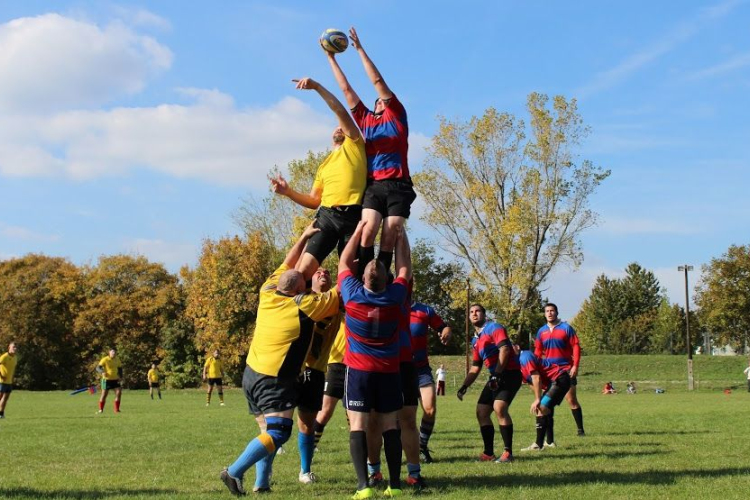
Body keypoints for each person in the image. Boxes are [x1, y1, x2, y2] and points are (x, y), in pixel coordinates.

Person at [220, 224, 339, 496]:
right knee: (278, 432)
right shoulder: (305, 305)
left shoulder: (268, 289)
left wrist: (305, 237)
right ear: (300, 288)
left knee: (269, 431)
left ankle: (262, 483)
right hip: (273, 378)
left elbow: (288, 262)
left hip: (251, 373)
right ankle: (234, 471)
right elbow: (343, 291)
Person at [327, 27, 416, 276]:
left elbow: (378, 82)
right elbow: (346, 91)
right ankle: (366, 274)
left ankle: (382, 278)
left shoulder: (396, 115)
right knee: (368, 228)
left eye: (382, 99)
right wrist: (331, 58)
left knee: (392, 230)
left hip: (398, 185)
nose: (379, 100)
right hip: (375, 185)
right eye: (376, 100)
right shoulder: (366, 120)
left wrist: (360, 50)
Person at [338, 221, 411, 499]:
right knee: (389, 425)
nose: (373, 265)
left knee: (360, 425)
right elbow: (405, 269)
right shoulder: (395, 297)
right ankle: (392, 484)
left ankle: (364, 486)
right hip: (388, 373)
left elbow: (345, 261)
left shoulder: (352, 295)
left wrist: (357, 231)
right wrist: (401, 239)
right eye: (373, 265)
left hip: (359, 372)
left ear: (366, 278)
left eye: (374, 266)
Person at [270, 77, 366, 282]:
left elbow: (340, 112)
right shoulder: (324, 166)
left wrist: (317, 87)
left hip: (354, 217)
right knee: (302, 273)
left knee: (352, 276)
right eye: (336, 127)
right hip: (327, 217)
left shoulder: (355, 145)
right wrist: (288, 192)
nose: (339, 128)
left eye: (342, 126)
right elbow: (314, 201)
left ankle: (344, 312)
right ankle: (301, 310)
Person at [457, 304, 522, 463]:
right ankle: (488, 453)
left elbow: (505, 350)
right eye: (471, 312)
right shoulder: (475, 340)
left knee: (499, 408)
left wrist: (497, 375)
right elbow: (476, 366)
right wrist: (464, 386)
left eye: (477, 311)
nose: (474, 314)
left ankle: (508, 453)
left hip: (509, 374)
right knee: (482, 412)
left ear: (485, 314)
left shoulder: (494, 327)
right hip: (495, 376)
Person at [296, 267, 341, 485]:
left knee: (307, 423)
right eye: (317, 271)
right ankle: (262, 478)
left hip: (316, 372)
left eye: (327, 272)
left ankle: (305, 470)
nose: (323, 272)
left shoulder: (335, 303)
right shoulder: (300, 299)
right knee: (278, 426)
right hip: (291, 369)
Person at [535, 303, 585, 436]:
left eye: (552, 311)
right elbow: (538, 351)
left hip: (566, 371)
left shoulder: (566, 328)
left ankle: (580, 429)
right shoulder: (541, 331)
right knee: (548, 403)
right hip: (549, 372)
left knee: (571, 400)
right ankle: (549, 437)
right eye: (547, 311)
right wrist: (535, 367)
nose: (549, 313)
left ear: (556, 313)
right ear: (544, 314)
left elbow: (575, 346)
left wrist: (575, 365)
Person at [410, 302, 451, 463]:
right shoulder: (390, 304)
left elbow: (443, 327)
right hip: (397, 369)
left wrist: (447, 332)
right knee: (401, 416)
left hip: (421, 370)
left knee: (430, 409)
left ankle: (421, 446)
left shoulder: (425, 310)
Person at [517, 347, 571, 451]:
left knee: (542, 407)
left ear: (517, 347)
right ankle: (550, 442)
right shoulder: (517, 364)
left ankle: (538, 445)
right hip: (555, 382)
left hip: (559, 379)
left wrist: (538, 399)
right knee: (546, 409)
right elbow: (531, 383)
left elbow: (536, 378)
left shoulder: (525, 356)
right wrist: (538, 397)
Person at [97, 348, 122, 414]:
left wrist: (120, 376)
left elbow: (120, 368)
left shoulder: (117, 359)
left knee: (119, 393)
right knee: (104, 395)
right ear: (109, 353)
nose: (113, 354)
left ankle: (117, 410)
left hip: (115, 379)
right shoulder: (105, 359)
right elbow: (98, 368)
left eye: (114, 353)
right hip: (106, 380)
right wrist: (102, 372)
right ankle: (101, 410)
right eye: (112, 353)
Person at [0, 342, 18, 418]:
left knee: (5, 398)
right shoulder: (4, 356)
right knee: (0, 398)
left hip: (9, 382)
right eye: (13, 347)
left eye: (16, 347)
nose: (15, 349)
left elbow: (12, 369)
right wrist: (1, 375)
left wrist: (12, 378)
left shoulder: (15, 358)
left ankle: (1, 413)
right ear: (9, 348)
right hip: (1, 381)